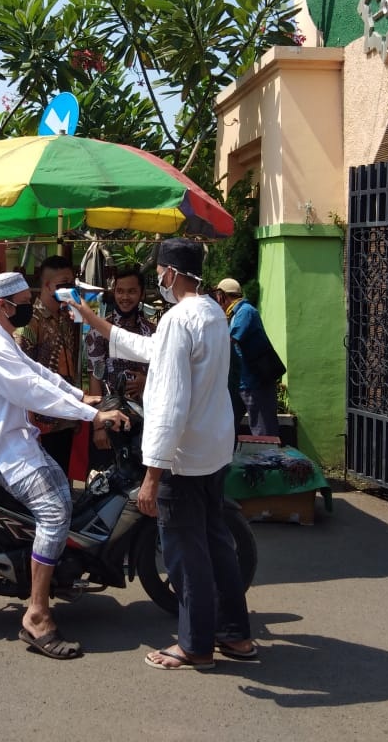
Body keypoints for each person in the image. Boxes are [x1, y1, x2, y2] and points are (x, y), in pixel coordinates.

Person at [70, 239, 257, 670]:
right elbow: (150, 350)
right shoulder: (211, 312)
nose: (158, 281)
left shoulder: (177, 319)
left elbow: (170, 401)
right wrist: (92, 319)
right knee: (217, 545)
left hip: (182, 459)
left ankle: (194, 645)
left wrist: (153, 475)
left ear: (171, 274)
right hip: (211, 452)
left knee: (185, 554)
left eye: (159, 274)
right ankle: (235, 636)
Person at [0, 271, 129, 660]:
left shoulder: (2, 337)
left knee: (63, 492)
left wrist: (83, 395)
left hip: (14, 440)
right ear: (3, 306)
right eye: (22, 303)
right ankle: (36, 614)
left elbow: (39, 374)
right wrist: (91, 415)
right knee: (55, 510)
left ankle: (48, 571)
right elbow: (32, 392)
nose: (27, 309)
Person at [14, 256, 82, 475]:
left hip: (65, 415)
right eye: (63, 284)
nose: (69, 288)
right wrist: (29, 421)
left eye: (71, 283)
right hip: (42, 420)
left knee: (62, 476)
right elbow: (21, 373)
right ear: (47, 285)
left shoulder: (66, 317)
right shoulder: (31, 321)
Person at [84, 267, 155, 466]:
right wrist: (98, 427)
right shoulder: (98, 333)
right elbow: (95, 377)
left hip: (145, 421)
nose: (125, 297)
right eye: (120, 291)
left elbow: (164, 374)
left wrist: (146, 382)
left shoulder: (152, 332)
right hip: (110, 420)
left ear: (141, 294)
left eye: (131, 291)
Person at [213, 278, 286, 438]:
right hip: (241, 384)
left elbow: (231, 340)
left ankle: (268, 462)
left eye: (217, 296)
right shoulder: (232, 314)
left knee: (263, 434)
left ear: (222, 296)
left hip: (256, 384)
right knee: (226, 428)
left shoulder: (245, 311)